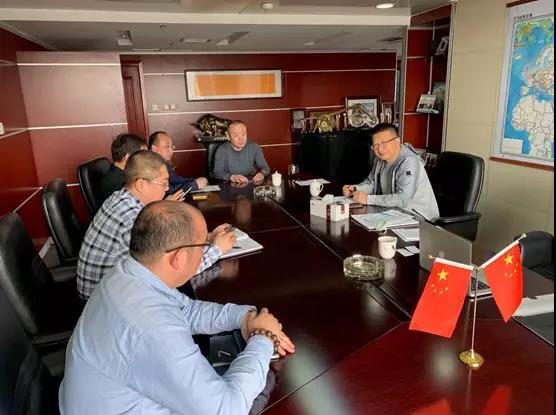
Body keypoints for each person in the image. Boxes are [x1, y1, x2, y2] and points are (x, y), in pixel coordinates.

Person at [60, 201, 295, 414]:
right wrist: (263, 337)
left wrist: (244, 317)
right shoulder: (153, 327)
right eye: (204, 245)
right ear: (179, 258)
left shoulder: (128, 272)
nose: (206, 250)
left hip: (114, 397)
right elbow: (227, 408)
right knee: (268, 386)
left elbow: (187, 310)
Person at [77, 150, 234, 300]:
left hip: (105, 290)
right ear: (141, 184)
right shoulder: (135, 219)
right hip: (108, 303)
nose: (167, 188)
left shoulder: (119, 197)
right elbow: (170, 273)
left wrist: (205, 238)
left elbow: (165, 244)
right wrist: (217, 249)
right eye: (163, 183)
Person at [343, 123, 439, 220]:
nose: (380, 149)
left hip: (419, 218)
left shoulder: (409, 162)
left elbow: (403, 199)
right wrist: (356, 189)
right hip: (393, 212)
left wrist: (368, 199)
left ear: (397, 141)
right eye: (375, 145)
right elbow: (372, 182)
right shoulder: (380, 159)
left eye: (384, 143)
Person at [97, 133, 146, 203]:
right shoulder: (116, 184)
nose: (147, 159)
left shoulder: (125, 174)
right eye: (143, 155)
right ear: (128, 157)